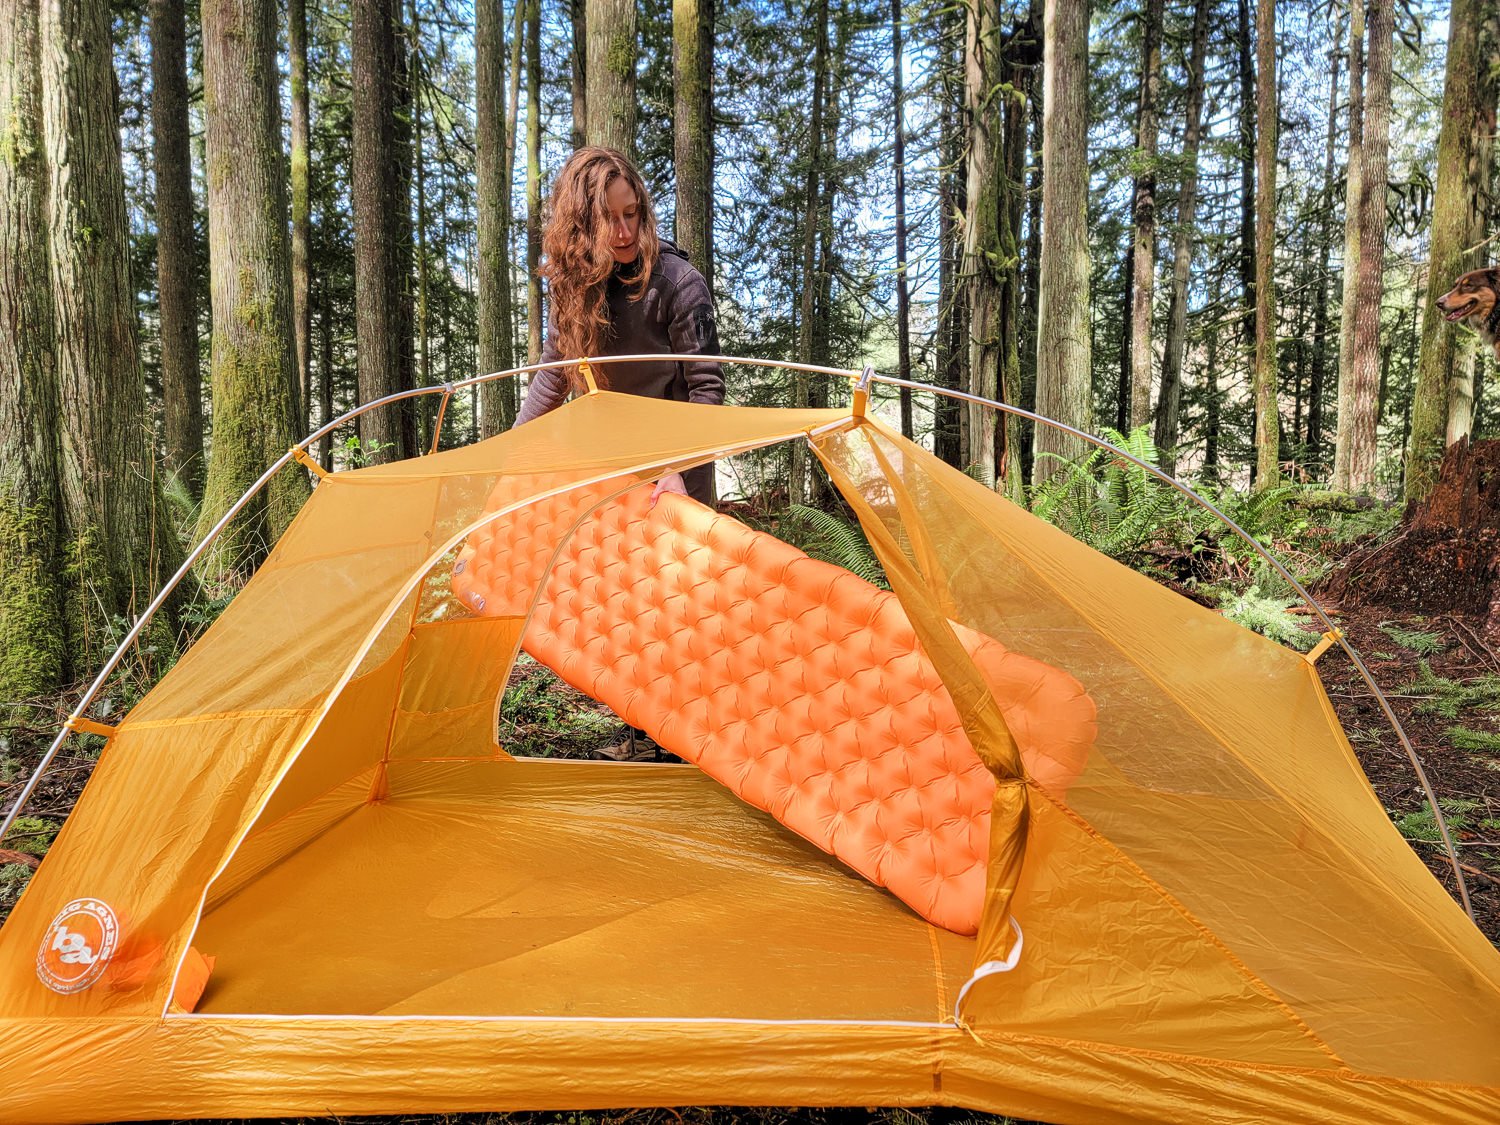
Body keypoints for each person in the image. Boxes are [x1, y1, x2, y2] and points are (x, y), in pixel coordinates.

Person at [516, 146, 724, 506]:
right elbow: (553, 375)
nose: (625, 232)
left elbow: (706, 388)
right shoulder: (573, 287)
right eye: (609, 220)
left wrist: (676, 467)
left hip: (677, 471)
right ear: (582, 226)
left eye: (631, 214)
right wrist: (511, 453)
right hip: (608, 464)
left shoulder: (679, 283)